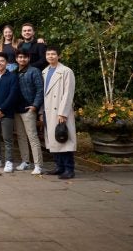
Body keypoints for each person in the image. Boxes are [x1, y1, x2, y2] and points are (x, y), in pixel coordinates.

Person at [42, 47, 76, 179]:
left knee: (63, 138)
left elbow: (68, 93)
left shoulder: (66, 71)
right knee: (53, 139)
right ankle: (59, 166)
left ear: (58, 56)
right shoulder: (45, 71)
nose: (50, 56)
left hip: (60, 111)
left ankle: (69, 168)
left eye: (53, 54)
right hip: (48, 110)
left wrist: (63, 112)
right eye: (48, 54)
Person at [14, 51, 44, 175]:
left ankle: (38, 165)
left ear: (29, 58)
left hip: (28, 109)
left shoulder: (34, 71)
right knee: (21, 137)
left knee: (32, 136)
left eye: (24, 57)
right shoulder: (14, 72)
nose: (22, 59)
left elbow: (40, 89)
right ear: (16, 59)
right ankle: (25, 161)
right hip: (16, 109)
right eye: (20, 57)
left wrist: (35, 106)